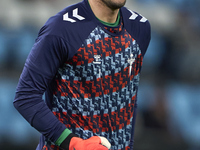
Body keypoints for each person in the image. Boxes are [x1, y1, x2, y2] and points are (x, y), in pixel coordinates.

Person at [13, 0, 151, 149]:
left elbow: (128, 97)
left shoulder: (139, 27)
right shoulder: (61, 28)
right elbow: (26, 97)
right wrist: (73, 143)